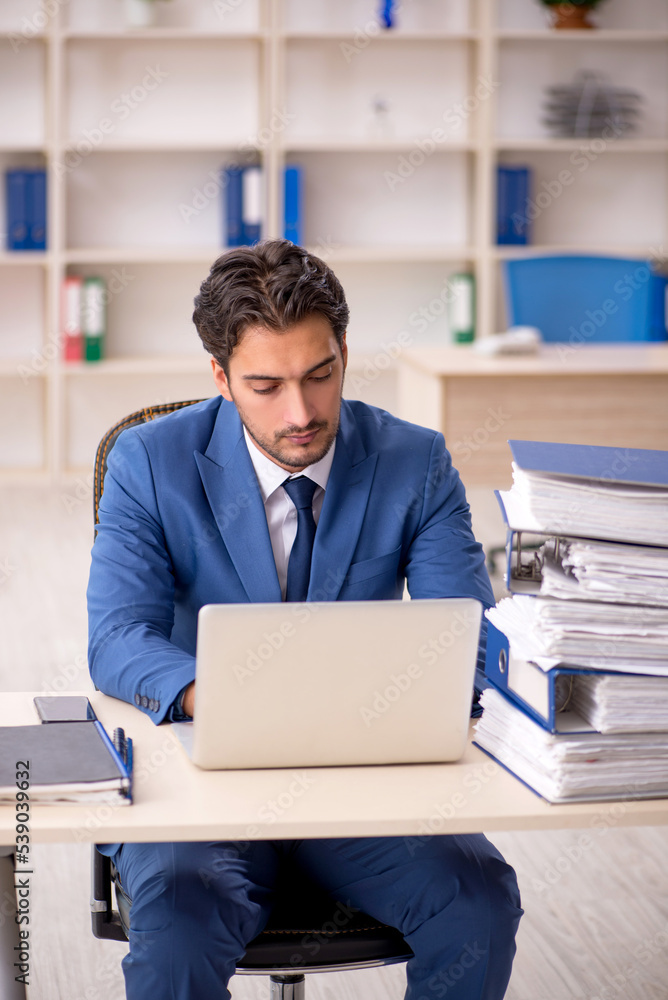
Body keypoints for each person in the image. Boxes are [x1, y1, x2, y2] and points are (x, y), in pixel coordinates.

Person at [87, 239, 522, 1000]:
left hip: (365, 783)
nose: (301, 413)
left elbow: (473, 636)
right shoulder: (148, 462)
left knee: (478, 902)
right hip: (203, 780)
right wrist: (220, 696)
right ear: (220, 377)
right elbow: (118, 637)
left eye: (320, 375)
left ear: (344, 354)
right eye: (266, 386)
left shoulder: (414, 461)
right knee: (181, 918)